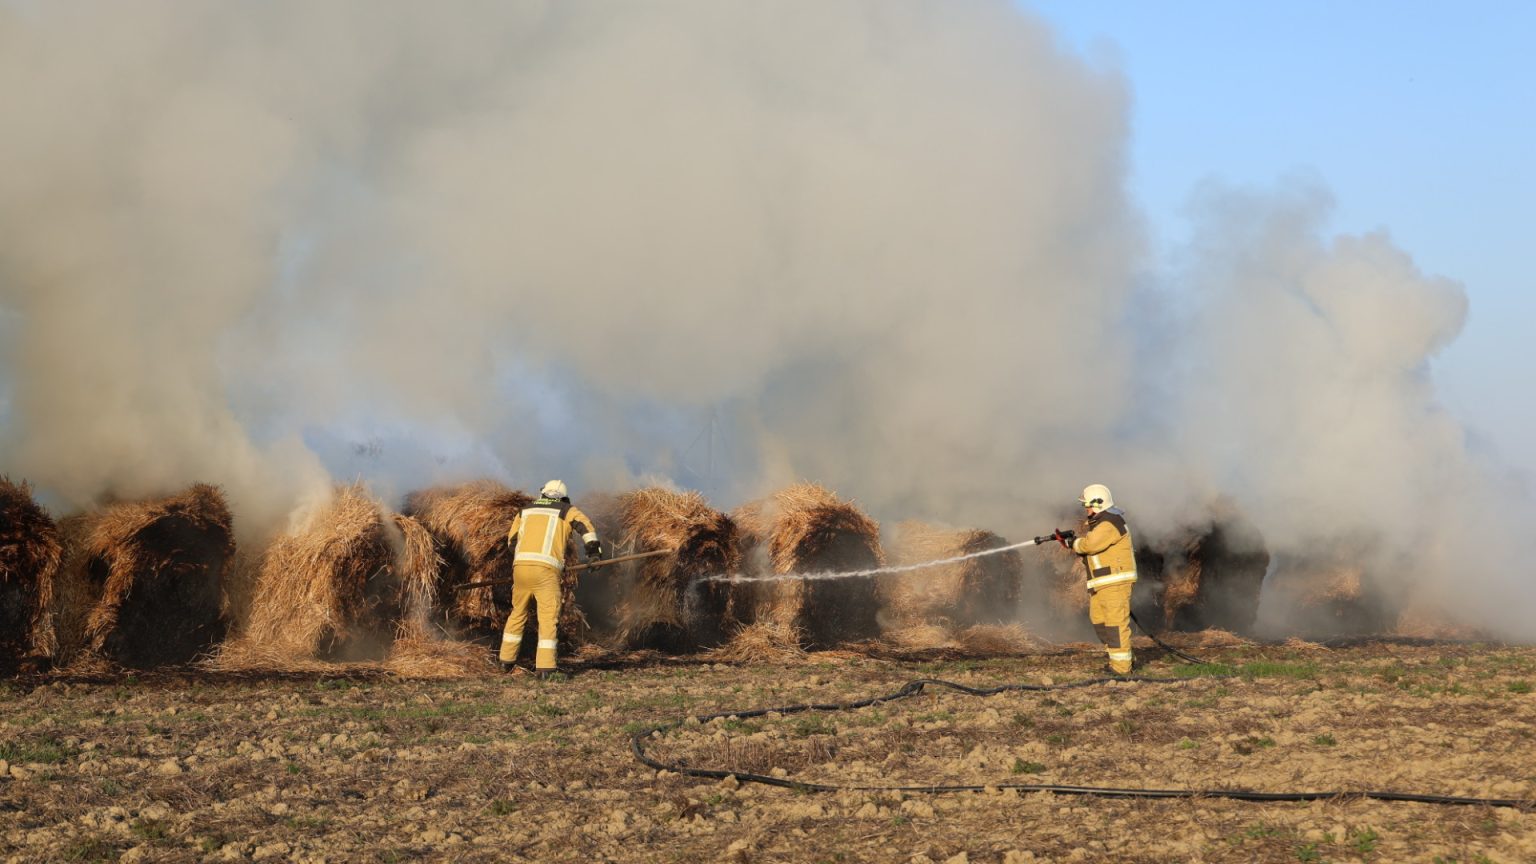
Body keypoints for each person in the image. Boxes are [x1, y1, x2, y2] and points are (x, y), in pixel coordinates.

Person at [499, 480, 602, 677]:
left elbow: (512, 542)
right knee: (547, 618)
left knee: (517, 613)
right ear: (563, 497)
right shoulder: (566, 510)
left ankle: (506, 661)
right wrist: (594, 554)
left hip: (520, 568)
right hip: (546, 571)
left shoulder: (525, 510)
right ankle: (545, 668)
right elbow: (586, 528)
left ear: (543, 494)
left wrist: (526, 558)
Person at [1065, 483, 1137, 675]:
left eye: (1087, 505)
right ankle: (1120, 659)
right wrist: (1070, 542)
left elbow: (1090, 545)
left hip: (1114, 583)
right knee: (1100, 621)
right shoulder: (1101, 523)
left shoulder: (1109, 523)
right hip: (1103, 583)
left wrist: (1073, 543)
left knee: (1115, 624)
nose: (1086, 509)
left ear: (1098, 503)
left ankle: (1122, 668)